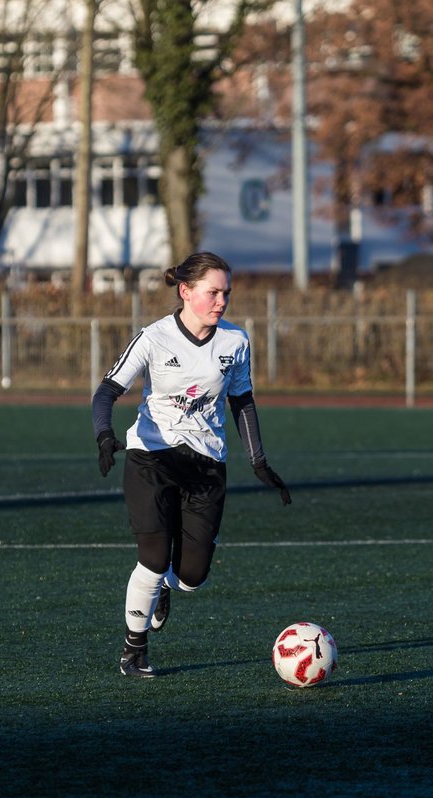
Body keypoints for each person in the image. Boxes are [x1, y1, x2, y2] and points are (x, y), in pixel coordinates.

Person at [91, 251, 291, 678]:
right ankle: (134, 650)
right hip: (151, 457)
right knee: (152, 555)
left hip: (205, 465)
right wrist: (105, 436)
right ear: (186, 292)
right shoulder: (154, 337)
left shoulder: (235, 342)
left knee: (193, 576)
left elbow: (242, 401)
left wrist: (258, 461)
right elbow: (106, 391)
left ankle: (166, 587)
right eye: (213, 292)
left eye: (226, 293)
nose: (221, 301)